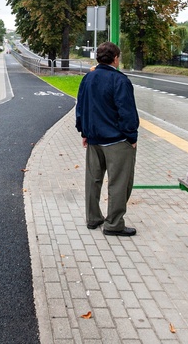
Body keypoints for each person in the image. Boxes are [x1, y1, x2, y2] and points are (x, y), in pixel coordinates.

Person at [75, 42, 139, 237]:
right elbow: (126, 112)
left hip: (94, 140)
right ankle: (114, 224)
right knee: (119, 183)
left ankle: (93, 218)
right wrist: (132, 136)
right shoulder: (120, 80)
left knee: (93, 180)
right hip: (117, 141)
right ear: (116, 58)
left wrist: (84, 132)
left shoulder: (87, 79)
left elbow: (81, 108)